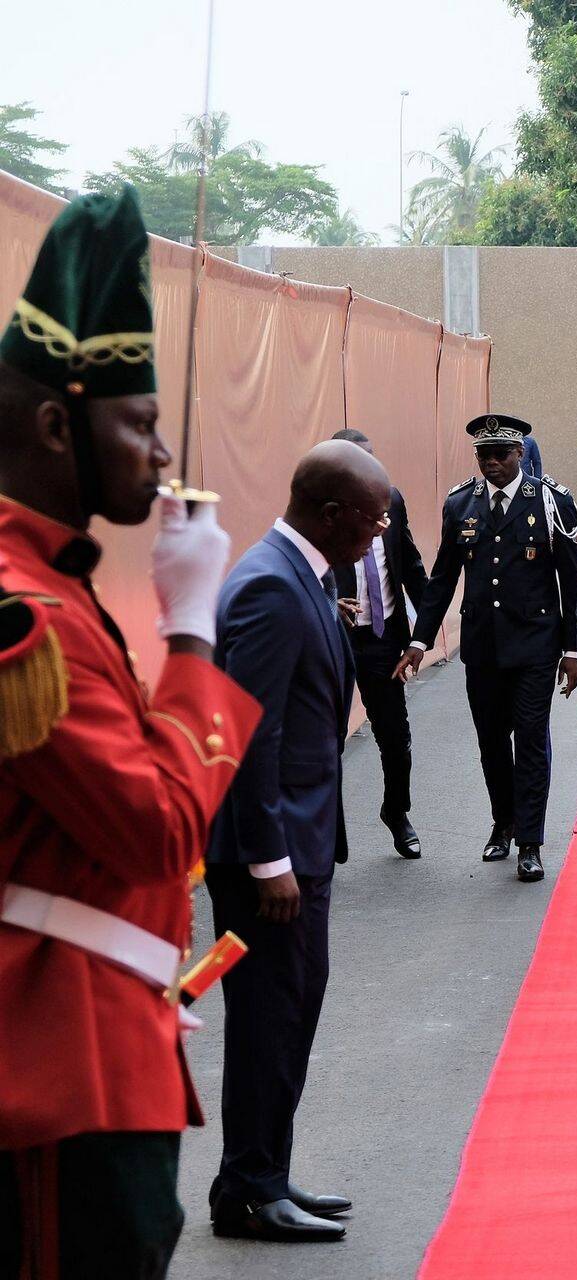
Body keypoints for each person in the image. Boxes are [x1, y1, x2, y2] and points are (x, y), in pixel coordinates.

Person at [0, 186, 261, 1278]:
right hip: (67, 1059)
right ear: (60, 424)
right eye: (140, 425)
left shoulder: (50, 585)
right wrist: (195, 638)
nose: (160, 457)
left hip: (108, 1014)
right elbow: (155, 823)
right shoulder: (27, 616)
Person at [204, 439, 392, 1243]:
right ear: (331, 512)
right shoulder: (272, 589)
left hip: (296, 848)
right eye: (373, 517)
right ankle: (250, 1190)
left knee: (287, 1016)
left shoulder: (298, 575)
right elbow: (250, 738)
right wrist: (269, 861)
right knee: (266, 1023)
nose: (379, 532)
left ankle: (261, 1176)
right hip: (269, 863)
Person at [400, 414, 577, 884]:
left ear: (520, 454)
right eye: (484, 455)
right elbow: (442, 577)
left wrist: (573, 649)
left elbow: (572, 579)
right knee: (491, 743)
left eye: (502, 454)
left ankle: (531, 843)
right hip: (482, 647)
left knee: (531, 740)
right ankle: (503, 821)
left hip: (536, 646)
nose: (493, 463)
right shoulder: (461, 502)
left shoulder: (549, 500)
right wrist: (421, 639)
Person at [326, 427, 429, 858]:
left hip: (384, 640)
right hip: (336, 640)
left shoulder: (393, 501)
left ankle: (397, 812)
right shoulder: (324, 511)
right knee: (326, 738)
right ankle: (326, 829)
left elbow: (410, 563)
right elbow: (301, 568)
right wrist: (329, 601)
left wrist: (427, 627)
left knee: (395, 735)